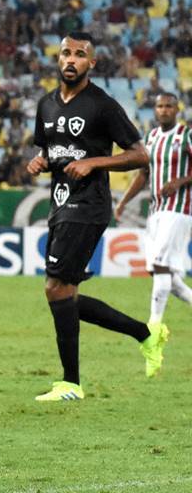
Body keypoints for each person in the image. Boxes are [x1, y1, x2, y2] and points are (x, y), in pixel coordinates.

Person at [25, 32, 166, 401]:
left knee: (55, 288)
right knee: (63, 293)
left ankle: (71, 384)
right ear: (58, 59)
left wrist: (94, 162)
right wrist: (39, 162)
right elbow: (49, 150)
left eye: (80, 55)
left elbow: (140, 155)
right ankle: (145, 334)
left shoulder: (102, 105)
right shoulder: (46, 105)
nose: (71, 60)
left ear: (93, 63)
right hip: (60, 203)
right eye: (66, 53)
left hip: (89, 206)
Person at [116, 93, 192, 333]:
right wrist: (123, 202)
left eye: (169, 106)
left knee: (160, 266)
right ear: (155, 110)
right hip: (156, 210)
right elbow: (143, 175)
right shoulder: (151, 138)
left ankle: (154, 327)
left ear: (177, 109)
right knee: (162, 273)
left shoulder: (186, 135)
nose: (164, 110)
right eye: (160, 106)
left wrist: (180, 181)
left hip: (180, 209)